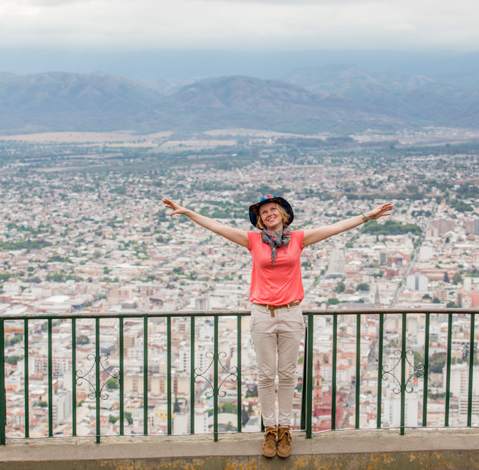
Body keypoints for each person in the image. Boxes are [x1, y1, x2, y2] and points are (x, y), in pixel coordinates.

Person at [162, 195, 393, 458]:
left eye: (273, 209)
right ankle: (269, 430)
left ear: (284, 214)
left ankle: (285, 429)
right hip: (262, 313)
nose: (269, 213)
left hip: (292, 313)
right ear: (260, 221)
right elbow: (217, 227)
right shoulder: (253, 241)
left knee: (287, 375)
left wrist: (367, 216)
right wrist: (188, 211)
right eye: (263, 212)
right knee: (264, 375)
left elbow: (335, 228)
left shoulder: (298, 239)